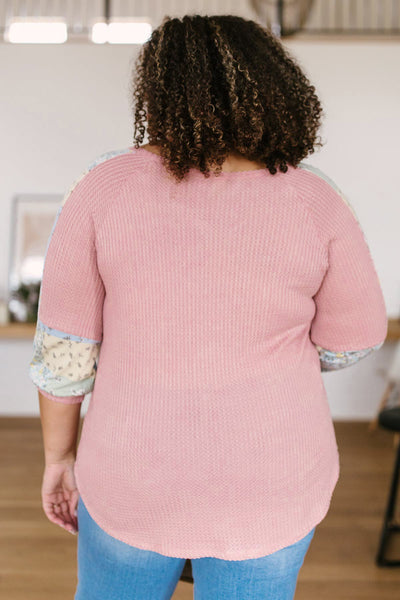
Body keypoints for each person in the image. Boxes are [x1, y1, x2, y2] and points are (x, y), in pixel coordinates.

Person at [28, 14, 388, 600]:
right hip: (271, 481)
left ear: (159, 90)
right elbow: (357, 338)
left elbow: (64, 359)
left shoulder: (104, 187)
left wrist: (57, 460)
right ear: (273, 88)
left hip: (131, 476)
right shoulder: (312, 196)